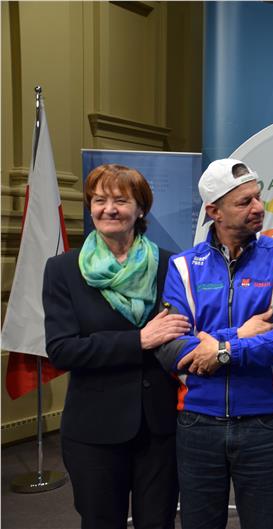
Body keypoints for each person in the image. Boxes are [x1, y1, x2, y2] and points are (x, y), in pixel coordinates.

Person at [155, 158, 273, 529]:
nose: (259, 207)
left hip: (264, 423)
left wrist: (223, 350)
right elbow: (169, 348)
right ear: (214, 212)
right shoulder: (182, 267)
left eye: (258, 197)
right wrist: (241, 334)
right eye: (244, 202)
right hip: (197, 422)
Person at [43, 164, 191, 529]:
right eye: (99, 200)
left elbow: (182, 333)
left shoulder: (171, 265)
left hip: (160, 426)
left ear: (140, 209)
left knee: (158, 523)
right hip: (94, 429)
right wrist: (138, 340)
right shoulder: (63, 270)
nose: (109, 209)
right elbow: (62, 349)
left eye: (121, 201)